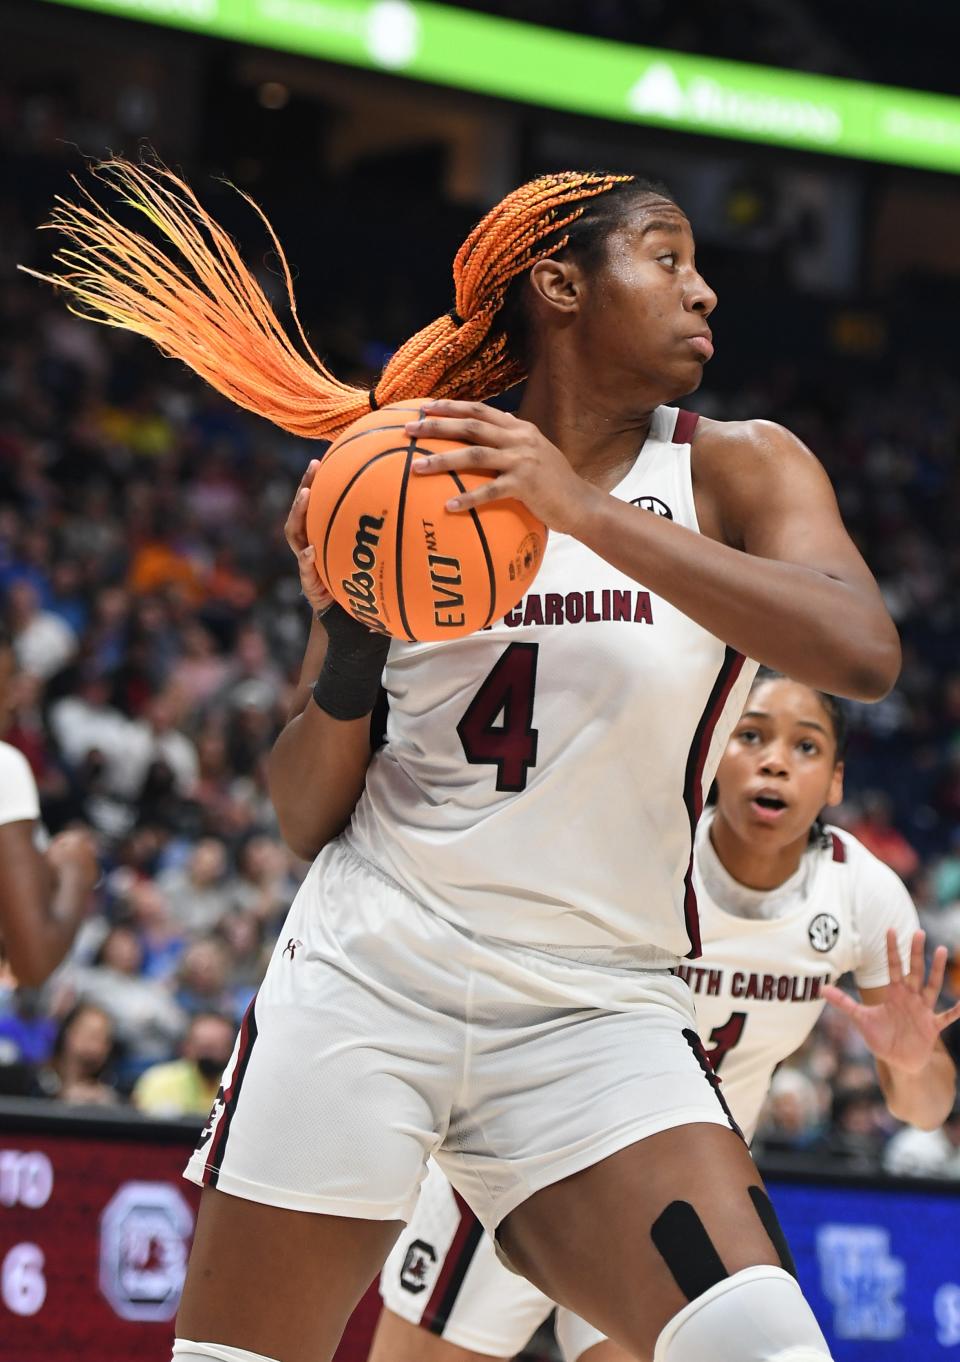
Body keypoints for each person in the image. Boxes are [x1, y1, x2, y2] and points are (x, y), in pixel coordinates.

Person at [31, 161, 903, 1362]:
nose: (704, 292)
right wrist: (347, 638)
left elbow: (860, 650)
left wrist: (585, 515)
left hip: (597, 1004)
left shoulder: (736, 468)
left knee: (765, 1344)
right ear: (559, 284)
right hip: (374, 973)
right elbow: (300, 812)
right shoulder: (401, 471)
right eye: (667, 257)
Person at [372, 672, 960, 1362]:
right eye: (751, 734)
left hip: (677, 1187)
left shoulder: (862, 893)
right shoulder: (644, 845)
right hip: (532, 1155)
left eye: (805, 747)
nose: (774, 759)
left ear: (835, 781)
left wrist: (909, 1060)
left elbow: (925, 1111)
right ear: (711, 749)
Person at [0, 625, 99, 986]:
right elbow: (33, 961)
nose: (12, 699)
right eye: (6, 679)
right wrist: (75, 870)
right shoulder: (4, 766)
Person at [133, 1011, 238, 1118]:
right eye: (202, 1047)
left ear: (232, 1050)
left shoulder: (239, 1086)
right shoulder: (158, 1080)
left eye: (217, 1047)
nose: (208, 1055)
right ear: (186, 1047)